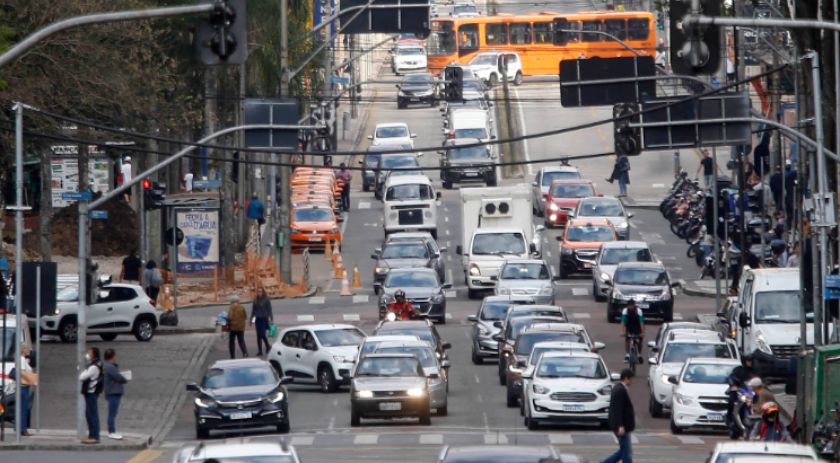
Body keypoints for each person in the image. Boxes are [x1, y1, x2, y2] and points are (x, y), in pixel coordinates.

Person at [602, 369, 636, 463]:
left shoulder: (619, 388)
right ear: (626, 378)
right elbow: (618, 409)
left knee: (624, 451)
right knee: (626, 452)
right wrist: (620, 425)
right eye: (631, 379)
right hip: (622, 426)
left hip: (623, 426)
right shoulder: (620, 390)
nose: (632, 382)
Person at [79, 347, 103, 444]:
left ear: (94, 354)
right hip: (91, 392)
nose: (87, 353)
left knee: (92, 414)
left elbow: (82, 377)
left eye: (89, 352)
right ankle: (92, 435)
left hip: (91, 392)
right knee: (89, 414)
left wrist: (85, 369)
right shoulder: (95, 364)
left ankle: (94, 436)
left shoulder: (93, 367)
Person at [103, 348, 128, 440]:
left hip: (112, 392)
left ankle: (112, 431)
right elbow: (119, 377)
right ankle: (111, 432)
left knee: (112, 413)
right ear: (112, 357)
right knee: (112, 414)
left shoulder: (107, 367)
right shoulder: (110, 367)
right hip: (113, 392)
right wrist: (125, 378)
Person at [251, 288, 274, 356]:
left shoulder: (266, 300)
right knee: (258, 336)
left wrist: (271, 318)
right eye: (258, 291)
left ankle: (268, 346)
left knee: (262, 334)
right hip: (258, 319)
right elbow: (253, 311)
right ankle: (260, 351)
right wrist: (252, 320)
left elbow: (269, 309)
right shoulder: (255, 300)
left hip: (264, 319)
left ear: (263, 292)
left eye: (260, 291)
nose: (259, 293)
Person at [18, 344, 35, 436]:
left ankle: (22, 427)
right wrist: (32, 380)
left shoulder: (23, 359)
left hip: (23, 386)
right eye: (27, 348)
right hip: (23, 386)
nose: (29, 350)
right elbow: (23, 373)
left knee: (23, 408)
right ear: (23, 349)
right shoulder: (22, 359)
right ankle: (23, 429)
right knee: (24, 408)